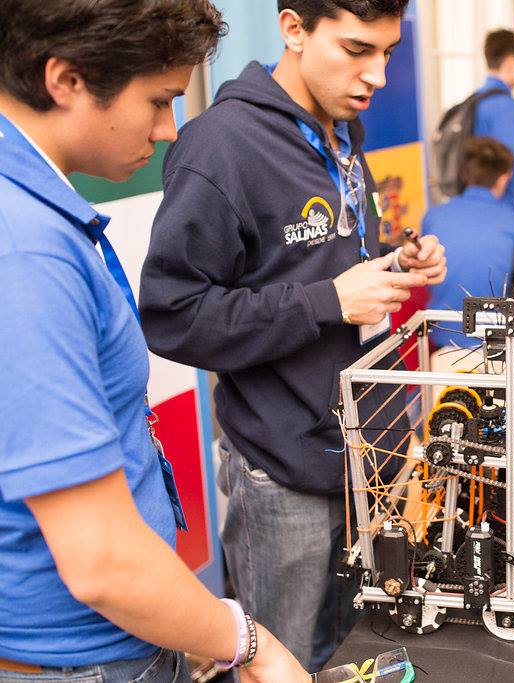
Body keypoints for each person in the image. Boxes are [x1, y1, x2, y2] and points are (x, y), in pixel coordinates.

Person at [0, 1, 306, 681]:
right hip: (84, 658)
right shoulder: (26, 252)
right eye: (159, 100)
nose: (170, 130)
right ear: (66, 80)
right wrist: (245, 639)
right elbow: (101, 561)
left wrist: (181, 617)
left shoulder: (36, 216)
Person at [138, 0, 446, 672]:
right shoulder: (221, 145)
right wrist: (328, 301)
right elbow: (173, 315)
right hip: (282, 474)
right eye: (357, 50)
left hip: (365, 461)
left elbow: (318, 259)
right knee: (282, 662)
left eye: (388, 53)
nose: (378, 75)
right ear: (294, 29)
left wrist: (396, 261)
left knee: (353, 656)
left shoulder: (343, 129)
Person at [423, 137, 514, 350]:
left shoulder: (433, 216)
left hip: (441, 336)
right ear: (505, 177)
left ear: (464, 174)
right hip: (497, 340)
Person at [473, 29, 514, 209]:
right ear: (510, 63)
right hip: (500, 202)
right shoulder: (507, 106)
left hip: (475, 197)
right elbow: (507, 162)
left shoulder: (477, 99)